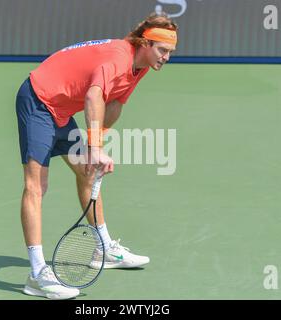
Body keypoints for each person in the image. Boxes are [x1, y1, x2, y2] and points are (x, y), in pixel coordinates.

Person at [15, 12, 178, 300]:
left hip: (62, 112)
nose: (166, 57)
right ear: (144, 43)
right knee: (37, 186)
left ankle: (102, 248)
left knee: (88, 172)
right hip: (39, 101)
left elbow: (114, 103)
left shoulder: (139, 67)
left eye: (170, 52)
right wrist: (94, 147)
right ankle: (37, 274)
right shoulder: (117, 57)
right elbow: (93, 96)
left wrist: (97, 142)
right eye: (162, 50)